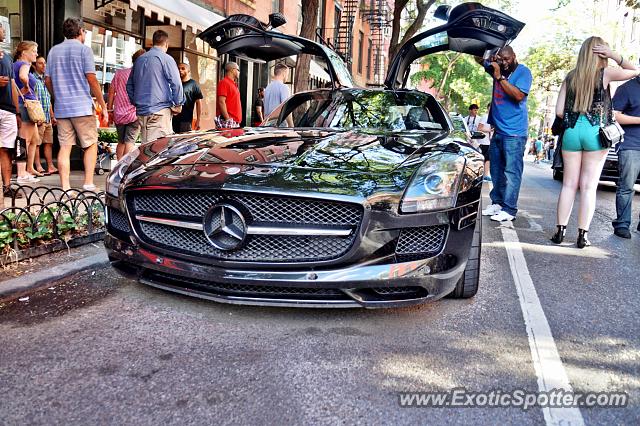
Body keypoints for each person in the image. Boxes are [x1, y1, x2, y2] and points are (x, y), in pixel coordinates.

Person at [551, 36, 638, 248]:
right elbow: (634, 70)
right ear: (601, 54)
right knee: (589, 187)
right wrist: (614, 55)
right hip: (595, 133)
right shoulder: (605, 73)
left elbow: (560, 112)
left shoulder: (570, 77)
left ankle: (560, 231)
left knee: (569, 185)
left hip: (571, 131)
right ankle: (582, 236)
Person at [46, 17, 108, 191]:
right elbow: (92, 80)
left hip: (62, 107)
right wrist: (103, 105)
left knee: (65, 146)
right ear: (80, 31)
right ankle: (88, 182)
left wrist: (57, 96)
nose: (86, 34)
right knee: (90, 143)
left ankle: (66, 188)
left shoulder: (53, 51)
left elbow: (48, 80)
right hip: (81, 106)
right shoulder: (84, 50)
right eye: (85, 31)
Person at [478, 46, 532, 222]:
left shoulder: (523, 72)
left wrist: (499, 76)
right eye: (502, 59)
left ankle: (509, 209)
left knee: (511, 172)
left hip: (514, 133)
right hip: (498, 130)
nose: (505, 62)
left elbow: (518, 96)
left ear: (514, 56)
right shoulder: (497, 67)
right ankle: (497, 203)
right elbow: (478, 58)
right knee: (496, 170)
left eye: (507, 59)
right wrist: (489, 56)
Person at [127, 30, 184, 144]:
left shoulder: (140, 60)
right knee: (158, 151)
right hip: (159, 111)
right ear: (166, 44)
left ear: (153, 43)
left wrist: (137, 102)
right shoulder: (166, 58)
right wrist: (178, 104)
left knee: (147, 148)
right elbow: (176, 83)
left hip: (142, 112)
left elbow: (129, 85)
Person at [612, 75, 640, 238]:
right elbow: (615, 115)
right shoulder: (626, 88)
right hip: (631, 145)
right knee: (627, 186)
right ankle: (622, 224)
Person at [107, 48, 144, 160]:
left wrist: (110, 109)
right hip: (134, 114)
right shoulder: (141, 76)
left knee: (121, 142)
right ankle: (125, 166)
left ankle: (118, 166)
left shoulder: (119, 73)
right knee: (130, 142)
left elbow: (111, 92)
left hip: (119, 114)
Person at [13, 41, 42, 184]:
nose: (36, 53)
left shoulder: (15, 65)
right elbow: (24, 77)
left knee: (34, 139)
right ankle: (21, 173)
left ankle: (28, 169)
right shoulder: (24, 65)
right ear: (24, 52)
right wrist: (26, 88)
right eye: (34, 50)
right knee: (25, 139)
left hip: (23, 104)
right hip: (26, 105)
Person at [0, 24, 22, 200]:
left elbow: (14, 86)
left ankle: (7, 187)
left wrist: (17, 112)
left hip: (8, 109)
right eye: (1, 27)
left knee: (6, 149)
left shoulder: (7, 58)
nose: (4, 31)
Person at [32, 55, 57, 174]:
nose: (44, 65)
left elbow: (48, 100)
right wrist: (37, 117)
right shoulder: (33, 79)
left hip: (47, 117)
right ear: (34, 65)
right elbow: (34, 100)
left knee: (48, 142)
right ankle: (37, 166)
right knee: (37, 143)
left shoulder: (45, 80)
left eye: (45, 63)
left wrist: (52, 116)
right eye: (40, 63)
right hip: (39, 118)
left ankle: (50, 166)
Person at [172, 62, 203, 133]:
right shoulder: (174, 83)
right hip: (172, 119)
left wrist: (198, 120)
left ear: (188, 71)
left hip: (186, 121)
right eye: (178, 69)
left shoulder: (193, 84)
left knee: (184, 141)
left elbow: (199, 103)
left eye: (183, 69)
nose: (180, 70)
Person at [216, 61, 241, 128]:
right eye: (238, 70)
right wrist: (227, 118)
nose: (239, 72)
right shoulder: (224, 82)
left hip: (234, 121)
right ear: (233, 70)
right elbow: (221, 101)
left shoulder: (233, 84)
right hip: (228, 121)